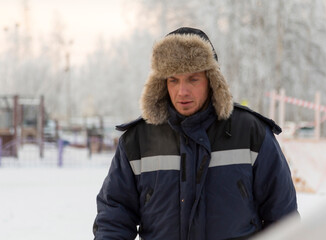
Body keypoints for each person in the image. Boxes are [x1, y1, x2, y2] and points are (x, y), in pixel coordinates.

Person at [93, 27, 298, 240]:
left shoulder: (251, 133)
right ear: (162, 83)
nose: (182, 91)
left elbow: (283, 219)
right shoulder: (138, 140)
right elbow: (114, 216)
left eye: (193, 79)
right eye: (174, 79)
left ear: (211, 80)